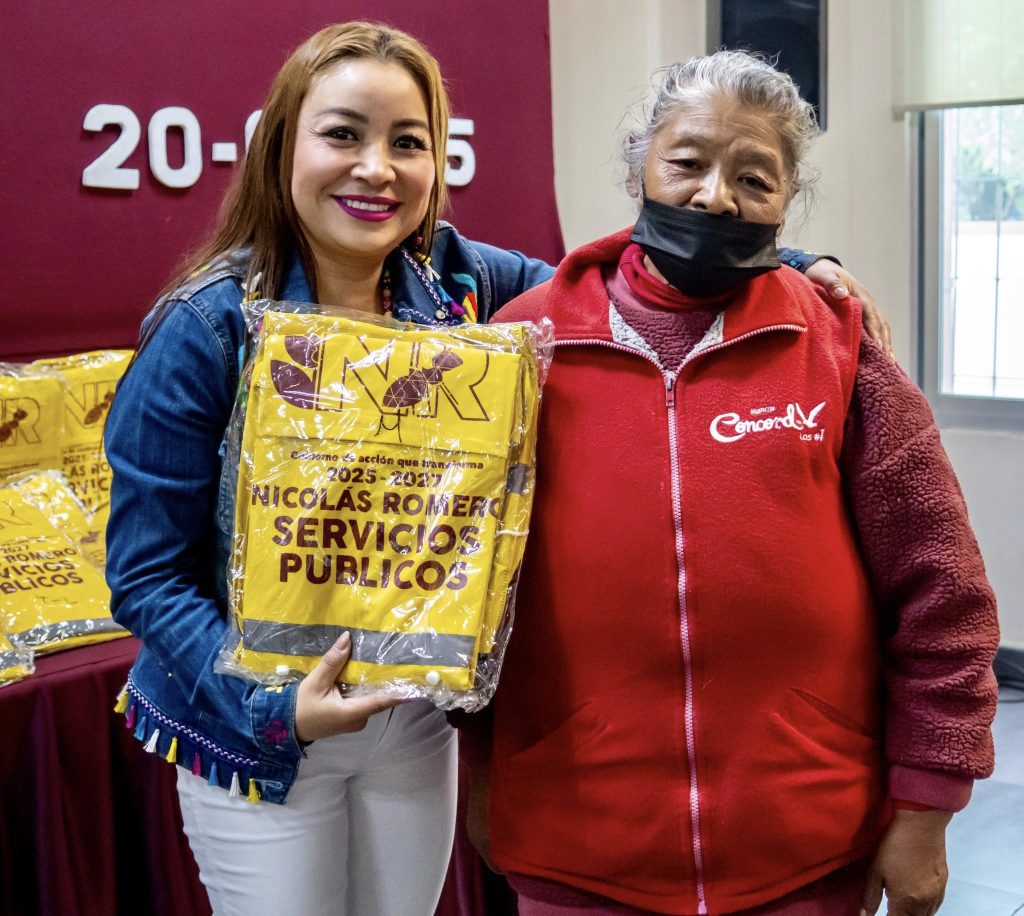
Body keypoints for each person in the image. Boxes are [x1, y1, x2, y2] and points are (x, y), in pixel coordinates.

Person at [105, 23, 884, 916]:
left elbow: (636, 275)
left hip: (410, 719)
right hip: (257, 728)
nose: (376, 169)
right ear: (282, 145)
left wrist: (788, 259)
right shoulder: (206, 327)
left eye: (408, 143)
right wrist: (275, 709)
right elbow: (145, 574)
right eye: (343, 135)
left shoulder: (463, 283)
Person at [473, 50, 1000, 916]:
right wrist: (479, 769)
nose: (716, 197)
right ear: (639, 169)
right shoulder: (522, 345)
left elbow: (942, 589)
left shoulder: (838, 344)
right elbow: (469, 594)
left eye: (754, 178)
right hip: (579, 844)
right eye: (687, 162)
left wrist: (927, 808)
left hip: (806, 848)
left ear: (786, 202)